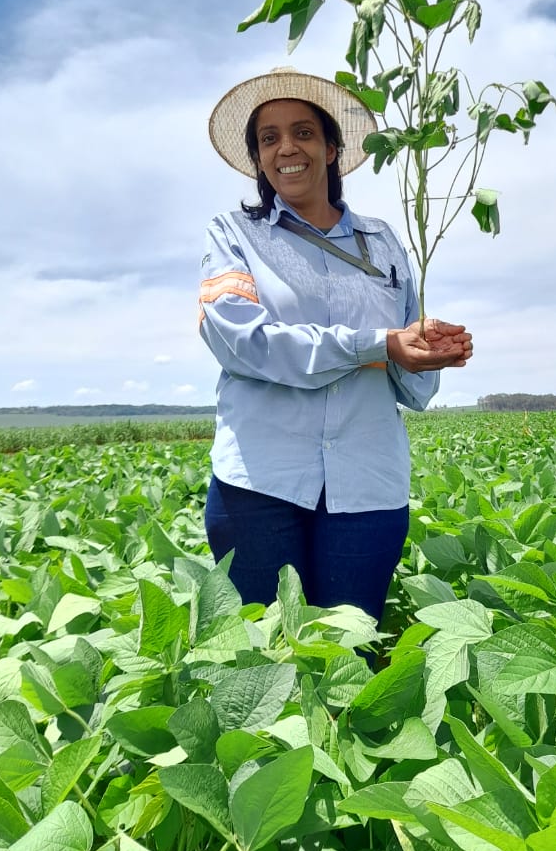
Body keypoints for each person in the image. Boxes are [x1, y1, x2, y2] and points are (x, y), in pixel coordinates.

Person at [200, 66, 473, 622]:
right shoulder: (234, 235)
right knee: (265, 660)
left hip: (367, 486)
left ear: (331, 147)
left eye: (303, 132)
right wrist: (378, 343)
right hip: (259, 485)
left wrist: (425, 352)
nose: (286, 149)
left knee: (351, 655)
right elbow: (240, 342)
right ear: (257, 158)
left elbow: (412, 390)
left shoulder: (383, 243)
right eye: (268, 138)